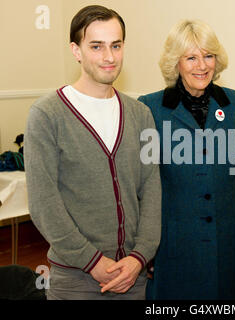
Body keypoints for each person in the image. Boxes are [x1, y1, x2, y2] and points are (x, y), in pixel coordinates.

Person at [24, 5, 161, 300]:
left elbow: (151, 189)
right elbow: (43, 203)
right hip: (75, 280)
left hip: (133, 276)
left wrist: (140, 256)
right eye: (96, 46)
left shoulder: (142, 115)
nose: (109, 57)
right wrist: (93, 261)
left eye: (116, 45)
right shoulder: (46, 115)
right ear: (76, 50)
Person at [138, 19, 235, 299]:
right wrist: (145, 245)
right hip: (173, 240)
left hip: (226, 236)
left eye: (208, 56)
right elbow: (145, 183)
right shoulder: (151, 108)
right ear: (175, 63)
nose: (201, 66)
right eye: (191, 57)